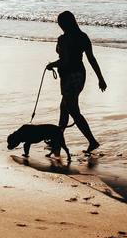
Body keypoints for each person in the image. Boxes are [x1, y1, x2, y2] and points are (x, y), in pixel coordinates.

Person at [45, 10, 106, 153]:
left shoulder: (63, 39)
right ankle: (57, 141)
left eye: (60, 23)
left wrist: (51, 65)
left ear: (64, 24)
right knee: (64, 108)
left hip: (69, 77)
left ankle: (92, 141)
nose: (59, 26)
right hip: (80, 75)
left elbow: (64, 61)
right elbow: (91, 59)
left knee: (72, 110)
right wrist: (100, 78)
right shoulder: (83, 36)